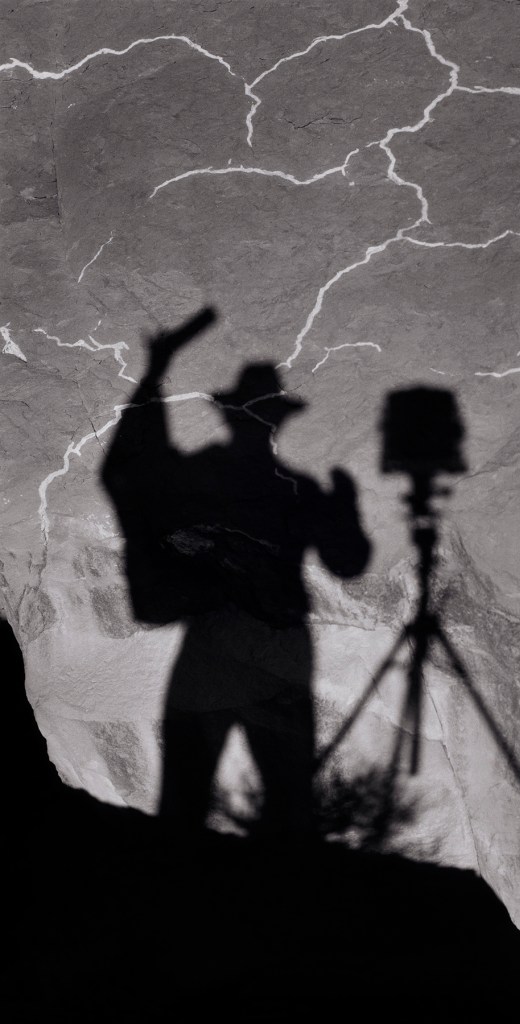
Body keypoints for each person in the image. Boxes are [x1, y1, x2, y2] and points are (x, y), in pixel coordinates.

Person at [101, 311, 371, 836]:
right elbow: (349, 563)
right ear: (276, 421)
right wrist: (347, 509)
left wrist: (153, 375)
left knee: (187, 797)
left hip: (213, 650)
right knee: (287, 803)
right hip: (274, 656)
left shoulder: (200, 476)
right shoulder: (297, 490)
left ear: (230, 417)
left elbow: (123, 475)